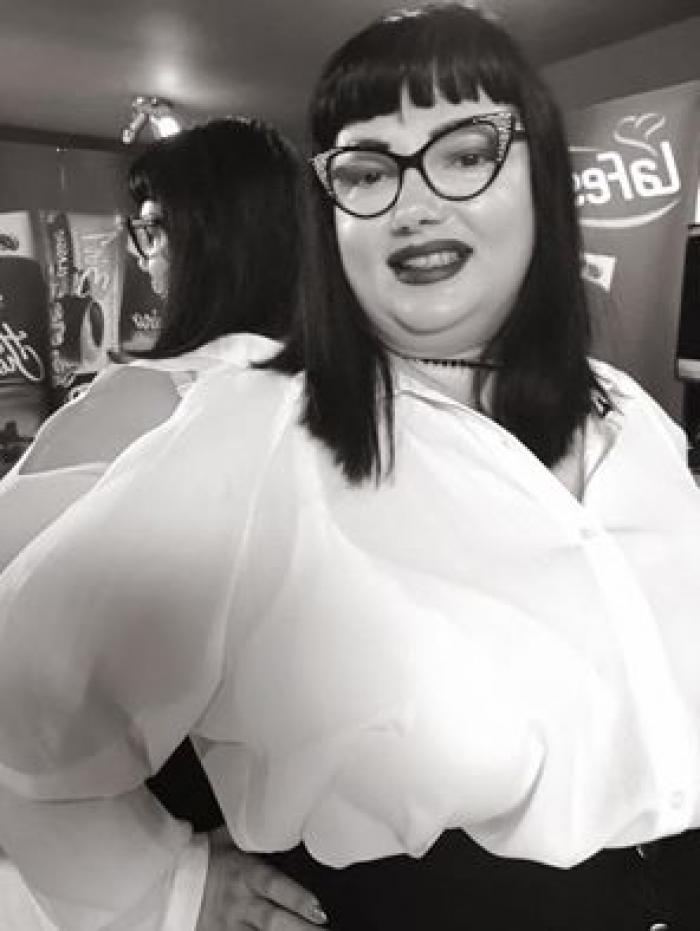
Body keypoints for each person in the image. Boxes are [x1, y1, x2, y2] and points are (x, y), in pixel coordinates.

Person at [2, 4, 700, 930]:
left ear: (541, 179)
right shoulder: (255, 429)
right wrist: (170, 886)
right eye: (368, 171)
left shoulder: (630, 415)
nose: (416, 204)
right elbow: (23, 705)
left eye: (466, 153)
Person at [0, 117, 327, 930]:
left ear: (217, 235)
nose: (143, 253)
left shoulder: (160, 396)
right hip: (267, 844)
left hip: (199, 840)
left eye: (153, 227)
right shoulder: (351, 403)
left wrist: (164, 881)